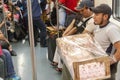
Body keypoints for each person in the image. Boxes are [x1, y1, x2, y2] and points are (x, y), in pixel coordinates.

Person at [51, 0, 95, 72]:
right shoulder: (82, 16)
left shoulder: (92, 20)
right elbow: (74, 26)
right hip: (79, 36)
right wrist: (65, 34)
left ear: (89, 9)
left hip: (84, 40)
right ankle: (57, 61)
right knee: (61, 40)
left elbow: (83, 34)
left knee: (65, 43)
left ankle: (61, 66)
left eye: (82, 10)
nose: (80, 12)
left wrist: (68, 38)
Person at [91, 4, 120, 80]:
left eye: (96, 15)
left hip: (106, 68)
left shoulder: (111, 29)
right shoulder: (98, 26)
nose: (94, 17)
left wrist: (110, 62)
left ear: (105, 17)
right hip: (97, 63)